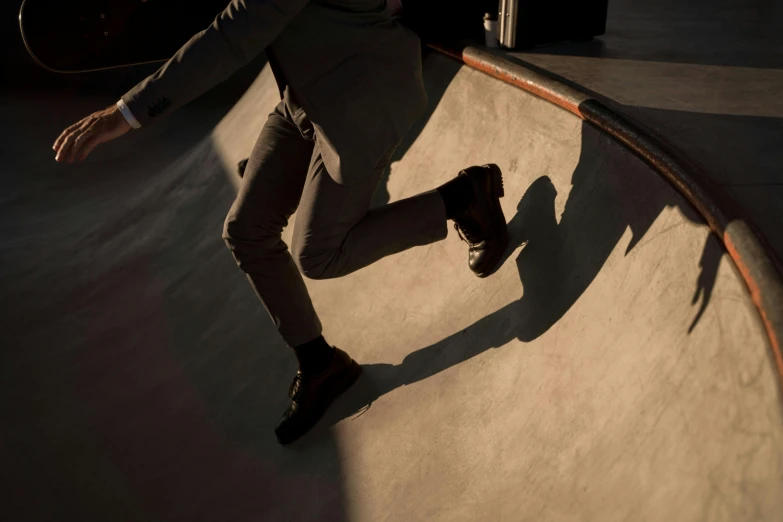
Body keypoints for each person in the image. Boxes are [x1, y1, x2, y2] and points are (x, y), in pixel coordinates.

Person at [52, 0, 508, 445]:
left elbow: (231, 35)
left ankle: (465, 198)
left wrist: (125, 113)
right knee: (246, 230)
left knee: (319, 253)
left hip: (363, 97)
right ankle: (321, 366)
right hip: (306, 95)